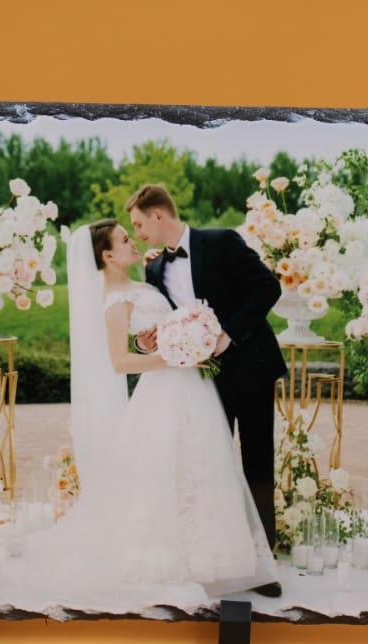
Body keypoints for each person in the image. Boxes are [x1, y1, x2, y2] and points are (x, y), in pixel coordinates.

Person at [11, 220, 278, 614]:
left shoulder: (146, 279)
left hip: (191, 387)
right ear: (106, 255)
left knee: (203, 466)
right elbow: (120, 362)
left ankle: (216, 557)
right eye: (124, 239)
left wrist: (170, 340)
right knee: (168, 471)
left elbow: (154, 328)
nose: (133, 241)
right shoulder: (114, 299)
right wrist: (173, 356)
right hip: (165, 388)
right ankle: (174, 558)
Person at [128, 184, 287, 597]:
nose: (139, 232)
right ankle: (221, 558)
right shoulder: (153, 270)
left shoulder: (221, 241)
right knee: (212, 469)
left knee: (257, 464)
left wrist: (228, 335)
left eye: (139, 223)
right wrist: (147, 342)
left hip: (250, 369)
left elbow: (267, 288)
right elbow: (162, 322)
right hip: (200, 382)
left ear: (159, 215)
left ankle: (264, 567)